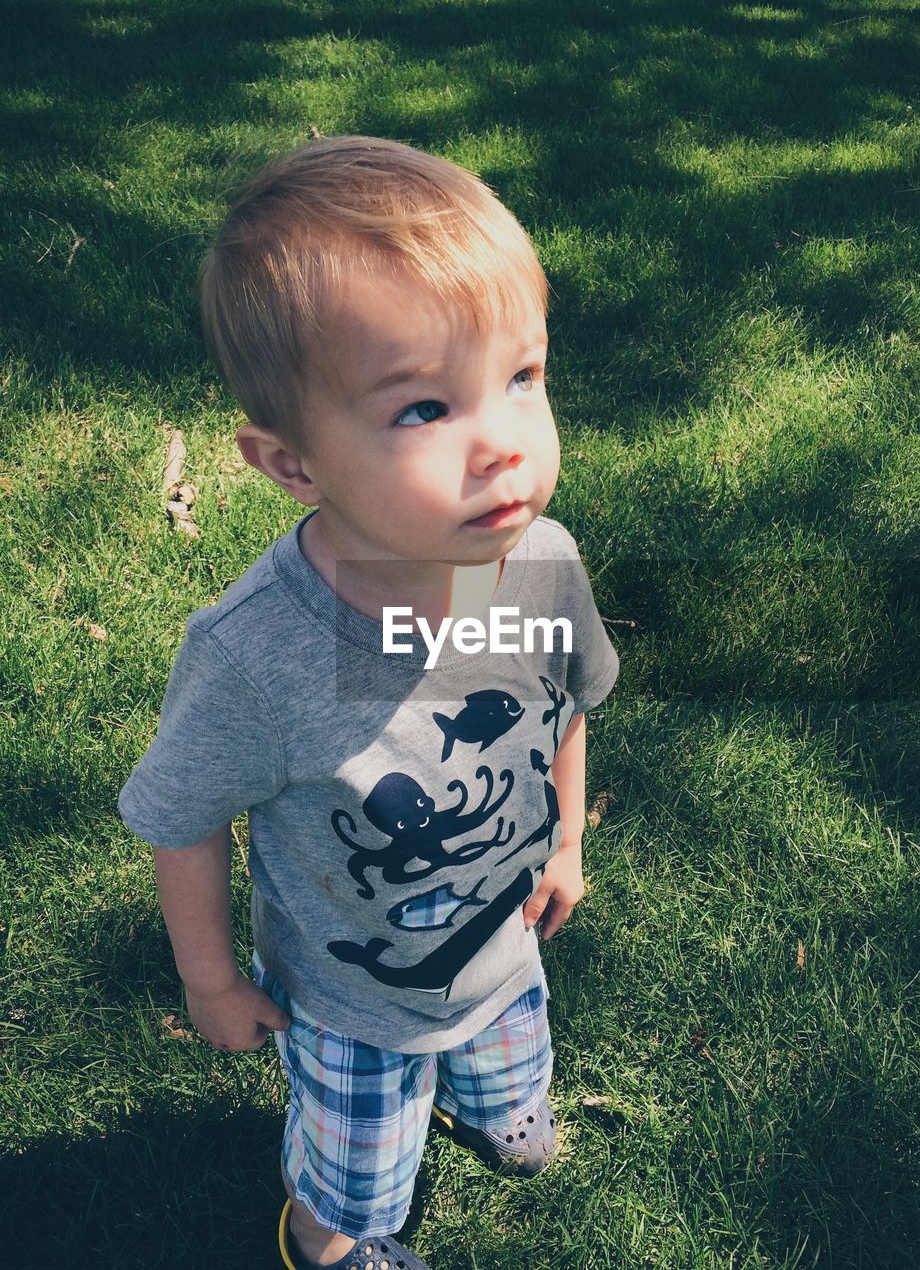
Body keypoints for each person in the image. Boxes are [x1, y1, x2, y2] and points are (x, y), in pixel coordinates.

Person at [118, 135, 619, 1270]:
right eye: (423, 407)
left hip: (502, 933)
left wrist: (566, 841)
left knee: (507, 1048)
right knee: (360, 1163)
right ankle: (331, 1238)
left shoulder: (541, 560)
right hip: (353, 997)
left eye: (523, 377)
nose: (501, 442)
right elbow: (179, 815)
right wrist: (210, 976)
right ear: (292, 463)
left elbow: (568, 702)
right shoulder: (258, 653)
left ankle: (496, 1103)